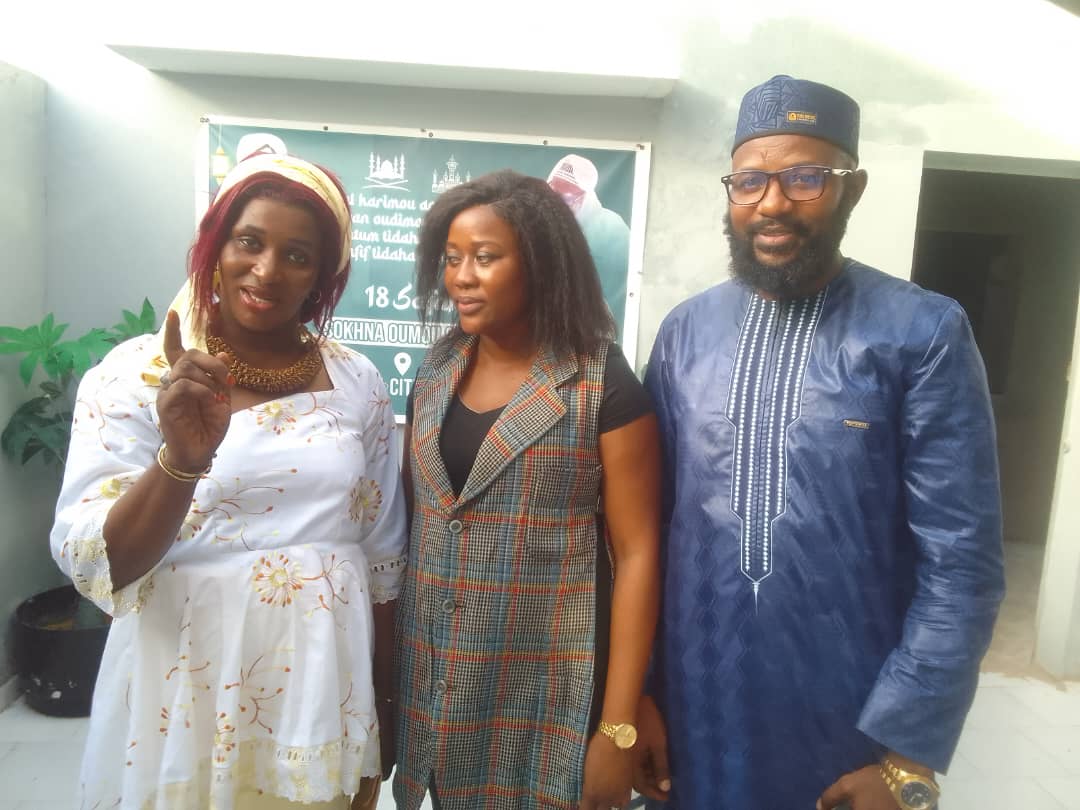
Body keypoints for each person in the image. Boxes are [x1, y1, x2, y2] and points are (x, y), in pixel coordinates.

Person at [637, 75, 1005, 810]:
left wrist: (906, 754)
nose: (772, 202)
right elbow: (642, 530)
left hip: (851, 724)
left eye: (806, 177)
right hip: (693, 709)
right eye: (750, 181)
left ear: (852, 190)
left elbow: (961, 562)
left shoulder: (921, 332)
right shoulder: (685, 333)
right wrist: (636, 699)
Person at [50, 153, 407, 810]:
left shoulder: (358, 381)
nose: (267, 270)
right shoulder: (136, 376)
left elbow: (382, 561)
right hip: (182, 689)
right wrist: (181, 462)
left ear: (322, 276)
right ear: (216, 246)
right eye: (249, 241)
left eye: (297, 255)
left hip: (319, 693)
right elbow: (99, 563)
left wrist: (381, 707)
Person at [394, 169, 661, 810]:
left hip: (548, 698)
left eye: (485, 258)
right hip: (436, 693)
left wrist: (618, 728)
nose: (461, 277)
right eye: (452, 258)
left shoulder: (601, 384)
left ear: (540, 263)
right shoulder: (435, 371)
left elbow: (639, 555)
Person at [547, 154, 632, 333]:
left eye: (564, 199)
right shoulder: (539, 224)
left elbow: (625, 290)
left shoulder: (612, 229)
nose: (554, 205)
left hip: (589, 333)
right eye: (551, 194)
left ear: (583, 197)